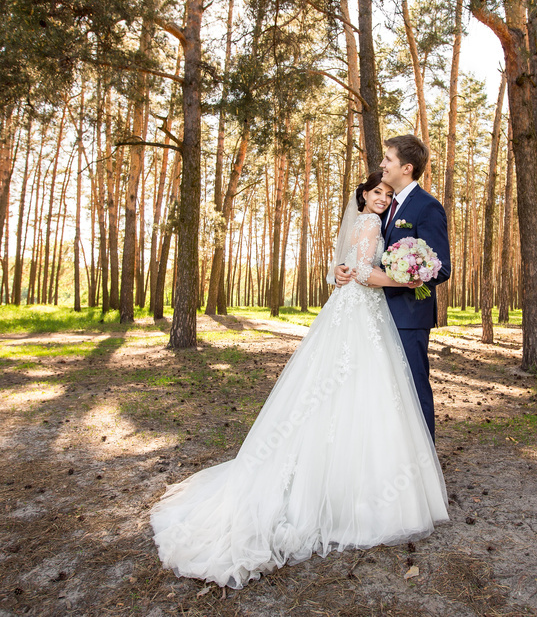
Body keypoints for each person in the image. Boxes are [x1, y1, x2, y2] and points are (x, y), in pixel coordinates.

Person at [150, 171, 449, 590]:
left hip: (365, 314)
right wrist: (406, 277)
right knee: (358, 387)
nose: (382, 198)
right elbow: (362, 272)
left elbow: (346, 266)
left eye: (386, 191)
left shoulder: (377, 222)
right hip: (360, 313)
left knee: (363, 390)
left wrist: (351, 271)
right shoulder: (367, 222)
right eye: (376, 192)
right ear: (363, 195)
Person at [335, 135, 451, 442]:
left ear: (407, 168)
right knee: (385, 394)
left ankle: (423, 464)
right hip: (375, 314)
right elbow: (362, 251)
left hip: (408, 318)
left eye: (388, 159)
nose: (382, 164)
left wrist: (410, 275)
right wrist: (341, 268)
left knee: (413, 389)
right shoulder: (385, 206)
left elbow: (442, 267)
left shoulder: (427, 208)